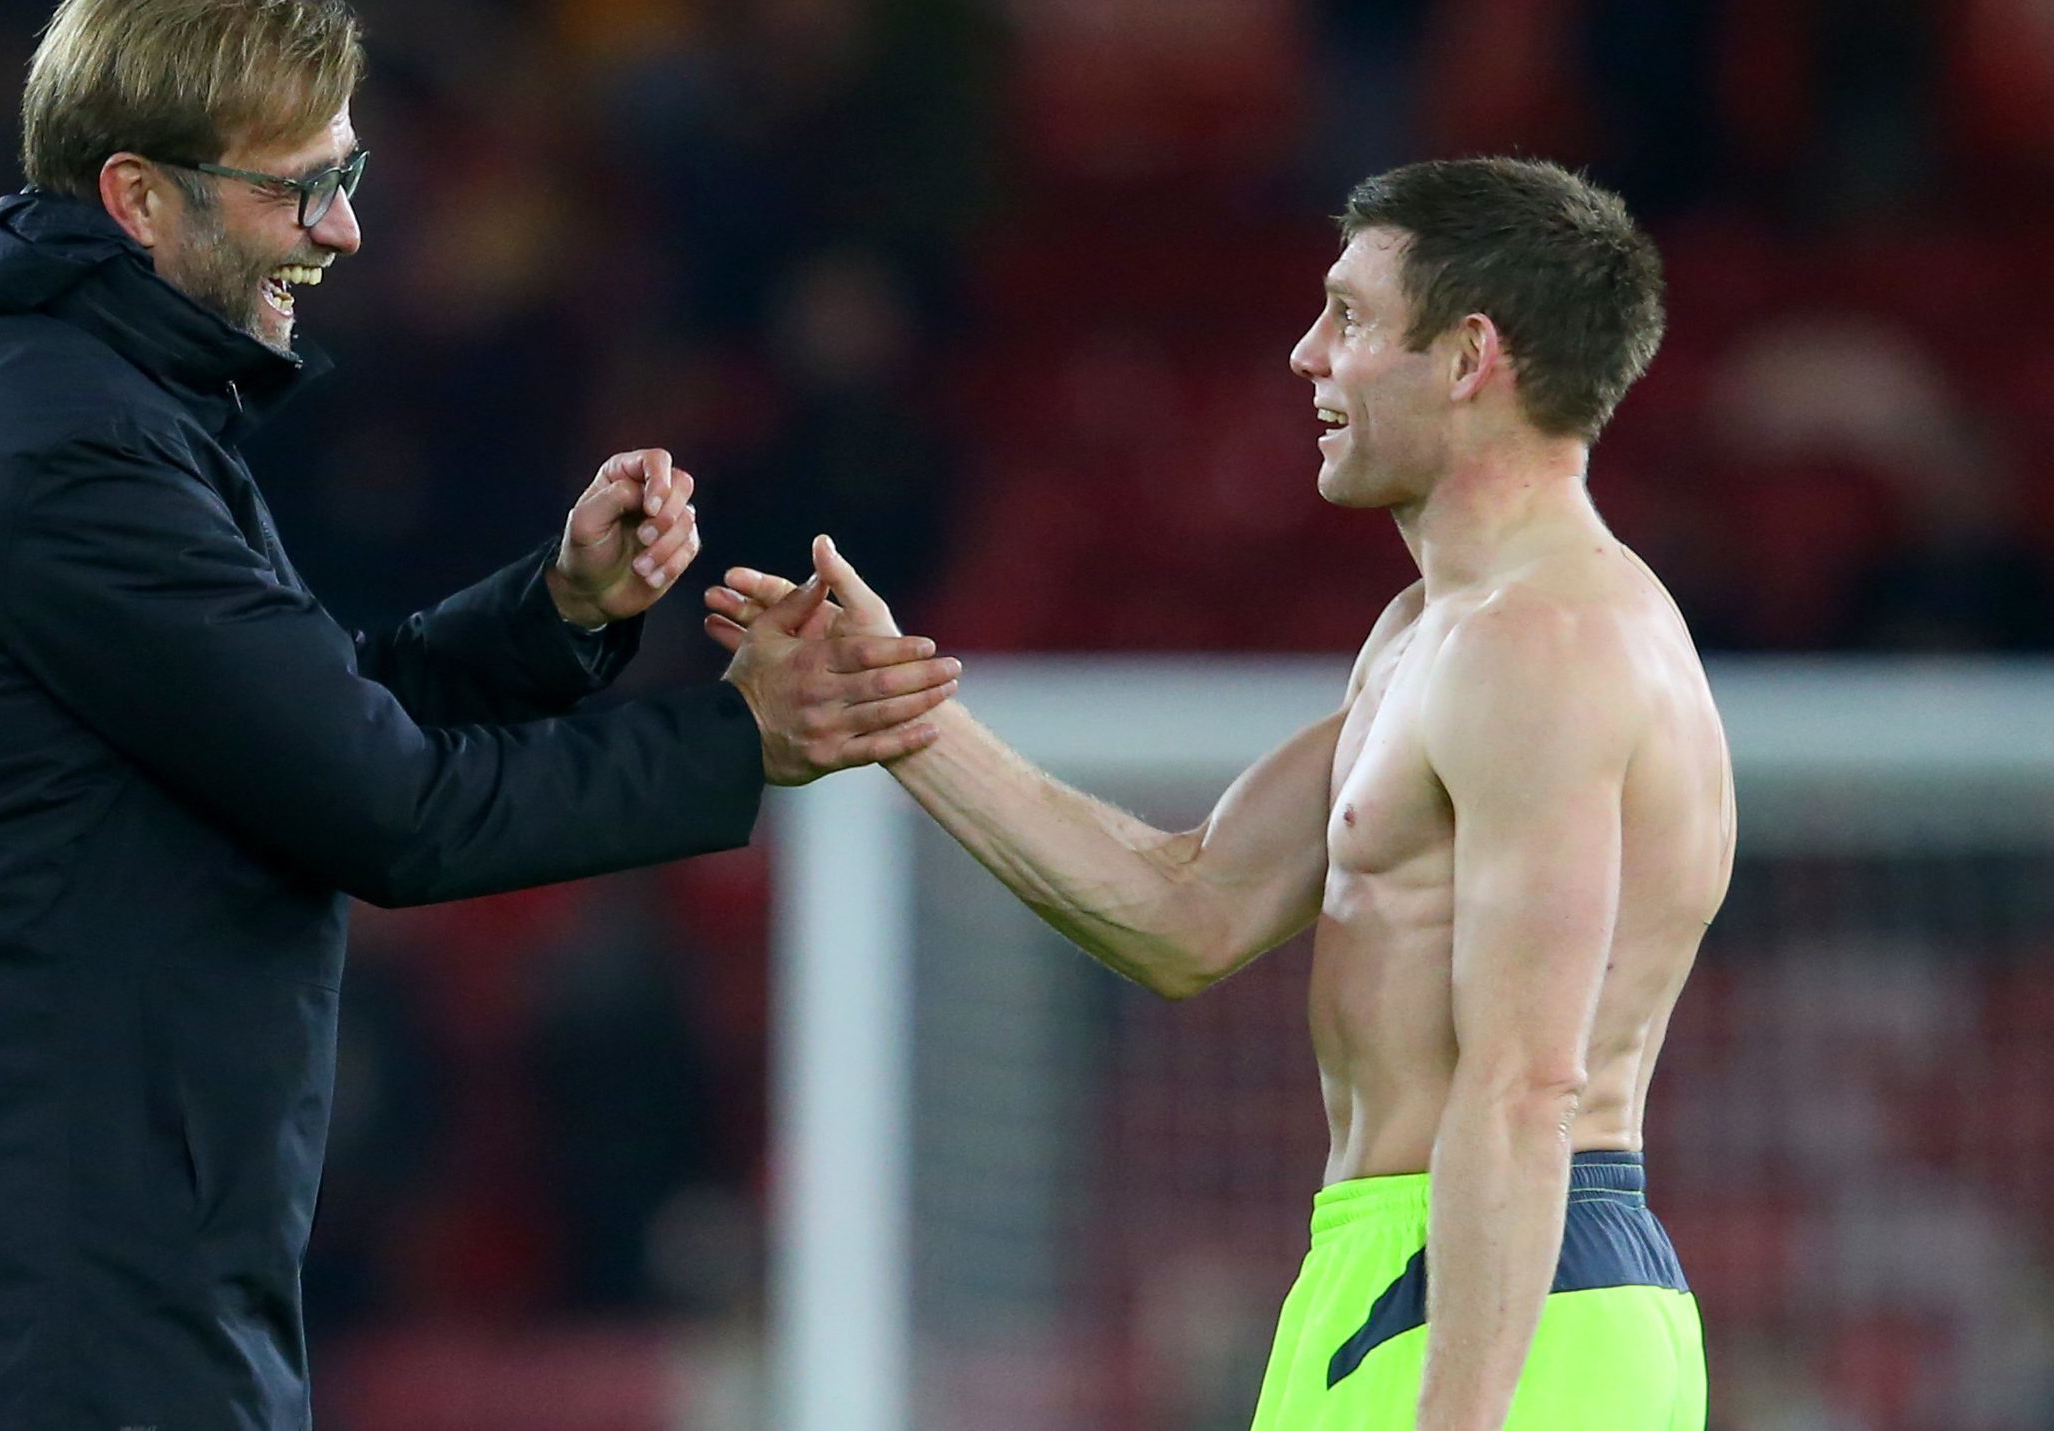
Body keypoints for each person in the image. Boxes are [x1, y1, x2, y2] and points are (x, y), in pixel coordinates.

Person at [0, 0, 960, 1431]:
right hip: (47, 1313)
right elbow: (385, 806)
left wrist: (551, 618)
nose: (342, 228)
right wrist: (741, 738)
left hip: (83, 1274)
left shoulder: (87, 405)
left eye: (346, 173)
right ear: (141, 197)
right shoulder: (65, 447)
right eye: (299, 186)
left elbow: (295, 722)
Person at [710, 158, 1727, 1429]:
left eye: (1349, 317)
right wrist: (901, 719)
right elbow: (1189, 909)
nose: (1306, 357)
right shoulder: (1436, 631)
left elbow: (1526, 1082)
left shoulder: (1543, 643)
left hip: (1494, 1305)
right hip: (1406, 1273)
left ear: (1468, 356)